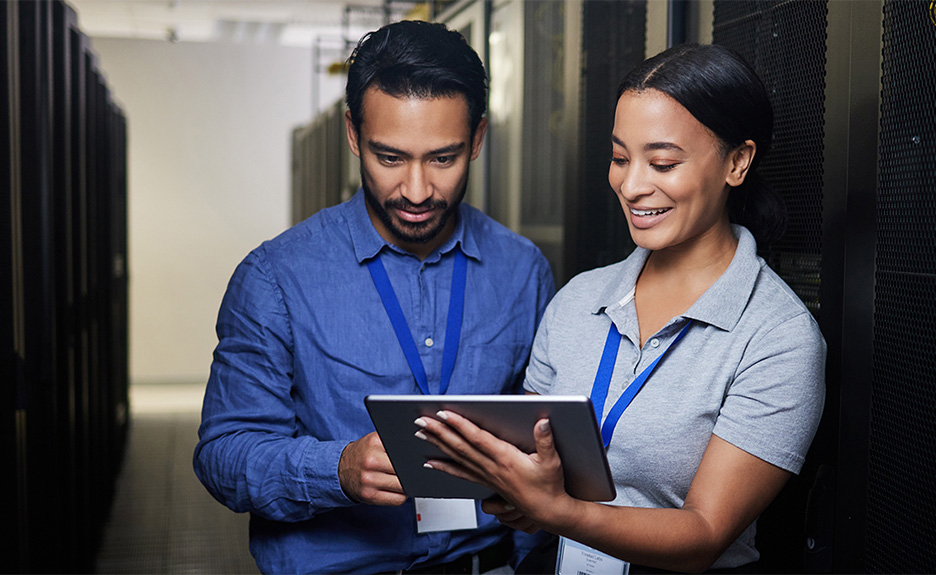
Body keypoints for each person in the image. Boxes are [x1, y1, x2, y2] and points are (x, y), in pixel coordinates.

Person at [415, 43, 826, 573]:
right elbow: (532, 457)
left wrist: (558, 510)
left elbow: (704, 534)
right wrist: (516, 491)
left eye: (662, 162)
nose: (631, 186)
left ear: (738, 162)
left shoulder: (777, 336)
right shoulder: (578, 300)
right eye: (619, 157)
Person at [193, 19, 555, 574]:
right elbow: (222, 453)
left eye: (443, 159)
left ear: (477, 140)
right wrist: (336, 469)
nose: (416, 190)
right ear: (354, 135)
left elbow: (543, 440)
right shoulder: (274, 277)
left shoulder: (522, 271)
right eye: (390, 158)